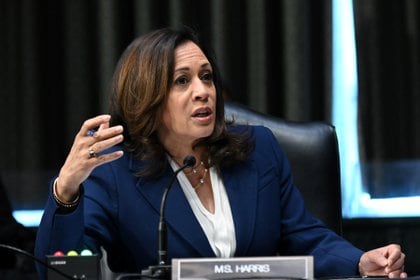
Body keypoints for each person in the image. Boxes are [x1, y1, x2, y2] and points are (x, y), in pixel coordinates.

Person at [34, 26, 406, 279]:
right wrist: (65, 192)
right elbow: (63, 270)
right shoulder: (115, 173)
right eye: (182, 81)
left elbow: (304, 235)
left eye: (206, 76)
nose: (203, 91)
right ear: (146, 96)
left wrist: (359, 261)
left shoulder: (259, 151)